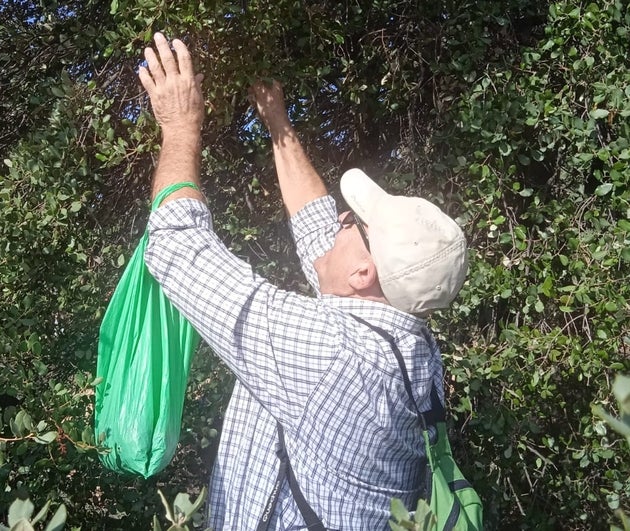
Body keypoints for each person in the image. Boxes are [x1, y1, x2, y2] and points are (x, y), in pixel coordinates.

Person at [138, 33, 468, 530]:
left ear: (363, 274)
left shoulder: (330, 352)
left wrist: (180, 126)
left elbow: (178, 247)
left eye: (354, 226)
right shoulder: (408, 343)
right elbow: (316, 223)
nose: (340, 221)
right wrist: (277, 122)